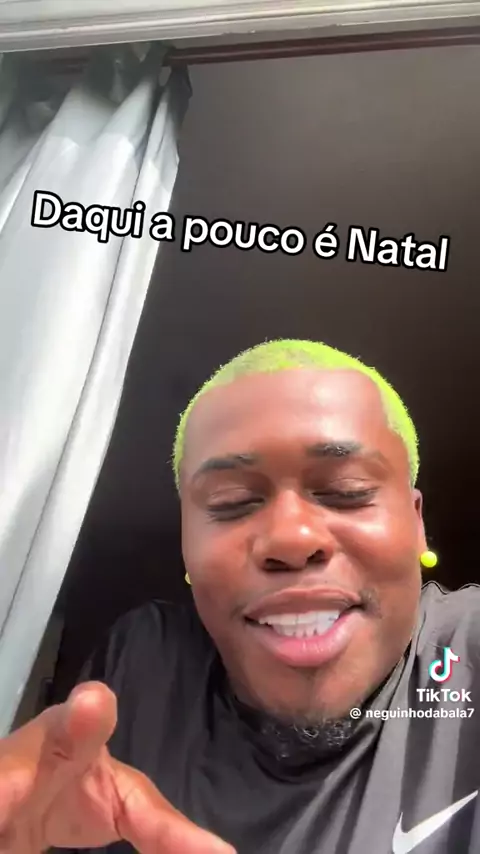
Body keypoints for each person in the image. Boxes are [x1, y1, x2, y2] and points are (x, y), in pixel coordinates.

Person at [1, 338, 479, 854]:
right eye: (232, 502)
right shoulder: (144, 668)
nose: (290, 538)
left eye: (348, 491)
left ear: (416, 522)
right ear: (186, 545)